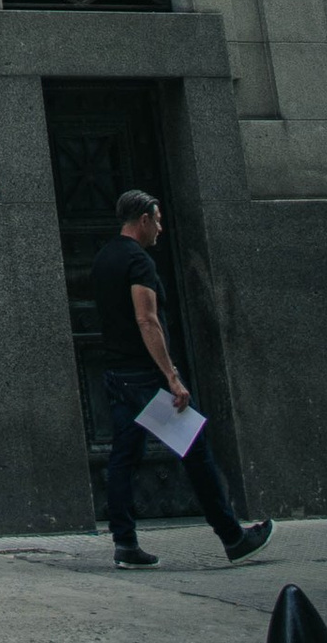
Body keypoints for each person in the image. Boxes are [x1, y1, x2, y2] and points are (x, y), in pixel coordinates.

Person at [92, 187, 272, 571]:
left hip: (117, 373)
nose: (161, 228)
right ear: (142, 220)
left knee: (123, 456)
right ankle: (232, 537)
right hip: (145, 378)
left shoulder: (105, 257)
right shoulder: (139, 262)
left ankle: (125, 542)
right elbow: (146, 318)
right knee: (195, 449)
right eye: (156, 220)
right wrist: (171, 376)